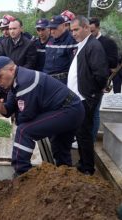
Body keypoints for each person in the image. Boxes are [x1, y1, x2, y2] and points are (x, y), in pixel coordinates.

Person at [0, 56, 84, 176]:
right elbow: (10, 108)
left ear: (11, 70)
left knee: (24, 131)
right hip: (68, 108)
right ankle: (67, 181)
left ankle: (22, 174)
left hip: (69, 109)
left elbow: (26, 118)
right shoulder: (16, 81)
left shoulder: (26, 82)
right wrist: (1, 107)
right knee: (60, 149)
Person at [68, 16, 109, 175]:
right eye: (72, 30)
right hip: (79, 97)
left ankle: (88, 168)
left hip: (86, 98)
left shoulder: (94, 46)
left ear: (86, 28)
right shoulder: (82, 45)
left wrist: (91, 94)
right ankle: (83, 162)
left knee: (84, 135)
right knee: (80, 133)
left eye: (76, 29)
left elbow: (101, 74)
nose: (74, 33)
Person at [89, 17, 119, 141]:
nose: (90, 34)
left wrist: (98, 59)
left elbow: (114, 62)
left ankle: (91, 139)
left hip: (98, 81)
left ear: (98, 27)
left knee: (94, 112)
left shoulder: (108, 42)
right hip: (85, 81)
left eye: (92, 31)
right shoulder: (84, 42)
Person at [43, 15, 77, 84]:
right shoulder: (50, 40)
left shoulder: (71, 41)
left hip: (62, 81)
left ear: (63, 25)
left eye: (55, 28)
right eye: (50, 28)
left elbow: (75, 67)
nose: (52, 31)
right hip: (47, 79)